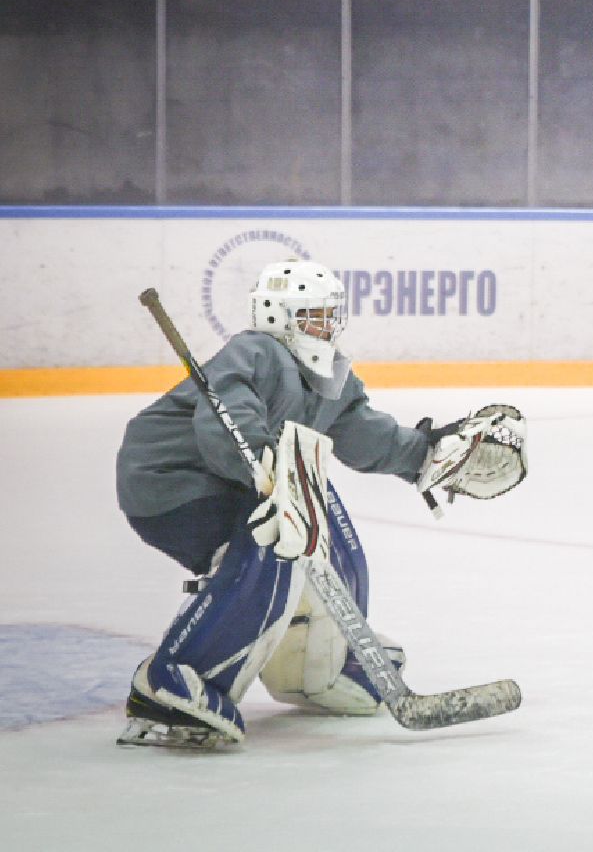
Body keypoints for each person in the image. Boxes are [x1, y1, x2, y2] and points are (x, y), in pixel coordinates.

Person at [116, 258, 526, 749]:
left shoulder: (329, 375)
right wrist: (259, 462)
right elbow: (224, 414)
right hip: (171, 483)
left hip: (244, 481)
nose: (326, 326)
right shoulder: (255, 351)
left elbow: (363, 431)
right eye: (313, 315)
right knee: (275, 541)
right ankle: (171, 678)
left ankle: (321, 668)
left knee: (319, 518)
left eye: (331, 314)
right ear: (277, 315)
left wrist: (426, 455)